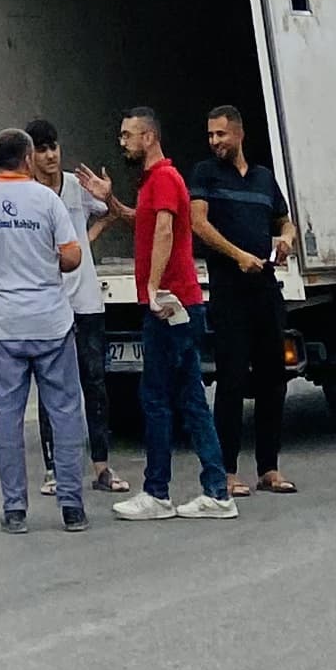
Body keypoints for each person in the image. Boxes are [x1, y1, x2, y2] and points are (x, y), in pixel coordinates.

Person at [0, 128, 89, 531]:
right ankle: (72, 507)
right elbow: (72, 256)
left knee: (9, 419)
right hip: (50, 322)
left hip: (5, 326)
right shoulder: (46, 198)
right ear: (28, 158)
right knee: (64, 413)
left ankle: (15, 510)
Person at [111, 104, 230, 518]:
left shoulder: (163, 178)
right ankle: (216, 490)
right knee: (188, 396)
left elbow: (164, 230)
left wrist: (152, 288)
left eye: (128, 135)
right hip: (177, 303)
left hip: (169, 305)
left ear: (149, 137)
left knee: (158, 397)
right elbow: (147, 224)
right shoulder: (155, 182)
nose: (122, 141)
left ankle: (159, 492)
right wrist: (110, 202)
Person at [190, 102, 296, 494]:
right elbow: (197, 222)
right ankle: (228, 470)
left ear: (239, 134)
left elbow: (286, 221)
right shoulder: (205, 174)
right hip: (229, 291)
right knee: (232, 379)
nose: (215, 141)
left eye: (221, 134)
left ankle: (269, 467)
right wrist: (238, 256)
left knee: (273, 378)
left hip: (265, 289)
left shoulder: (264, 178)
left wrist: (285, 240)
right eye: (211, 135)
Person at [27, 118, 126, 490]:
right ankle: (54, 471)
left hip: (85, 302)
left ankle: (101, 468)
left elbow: (110, 211)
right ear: (29, 155)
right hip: (48, 304)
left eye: (53, 146)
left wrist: (108, 197)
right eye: (42, 148)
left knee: (95, 384)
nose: (50, 155)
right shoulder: (29, 195)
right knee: (52, 387)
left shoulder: (75, 186)